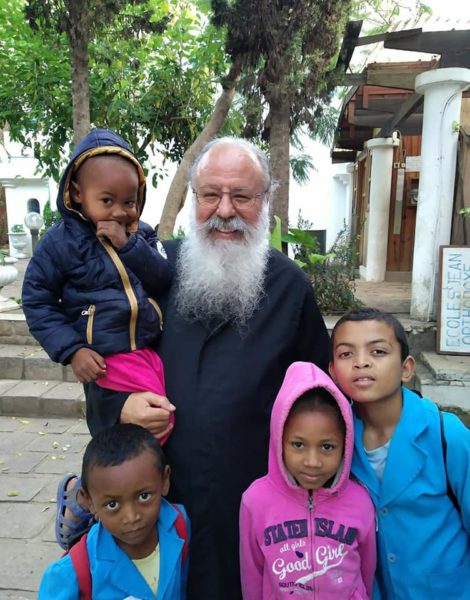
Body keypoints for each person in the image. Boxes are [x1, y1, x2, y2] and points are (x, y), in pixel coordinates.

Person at [84, 137, 331, 599]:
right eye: (211, 194)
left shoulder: (290, 288)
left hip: (253, 513)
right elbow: (102, 360)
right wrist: (120, 407)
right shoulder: (150, 270)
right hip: (152, 512)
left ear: (265, 201)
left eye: (242, 196)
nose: (225, 210)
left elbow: (322, 397)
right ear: (194, 198)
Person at [22, 128, 175, 548]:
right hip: (105, 358)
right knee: (143, 432)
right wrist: (72, 350)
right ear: (77, 192)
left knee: (153, 429)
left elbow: (163, 278)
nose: (120, 212)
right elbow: (36, 299)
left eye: (129, 201)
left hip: (147, 351)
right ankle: (88, 502)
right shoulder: (61, 243)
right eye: (107, 201)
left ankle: (122, 502)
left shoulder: (141, 235)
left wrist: (129, 246)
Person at [329, 307, 470, 600]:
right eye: (346, 354)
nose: (361, 362)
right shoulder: (335, 442)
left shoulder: (446, 436)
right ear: (333, 372)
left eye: (378, 352)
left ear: (406, 368)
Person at [240, 360, 376, 599]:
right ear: (279, 439)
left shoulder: (360, 501)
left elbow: (367, 571)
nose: (312, 462)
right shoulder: (255, 501)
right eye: (298, 445)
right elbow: (252, 574)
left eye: (327, 447)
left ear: (345, 445)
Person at [39, 423, 190, 599]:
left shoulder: (179, 525)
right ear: (89, 502)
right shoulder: (72, 572)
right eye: (112, 505)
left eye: (144, 496)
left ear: (164, 480)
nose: (131, 517)